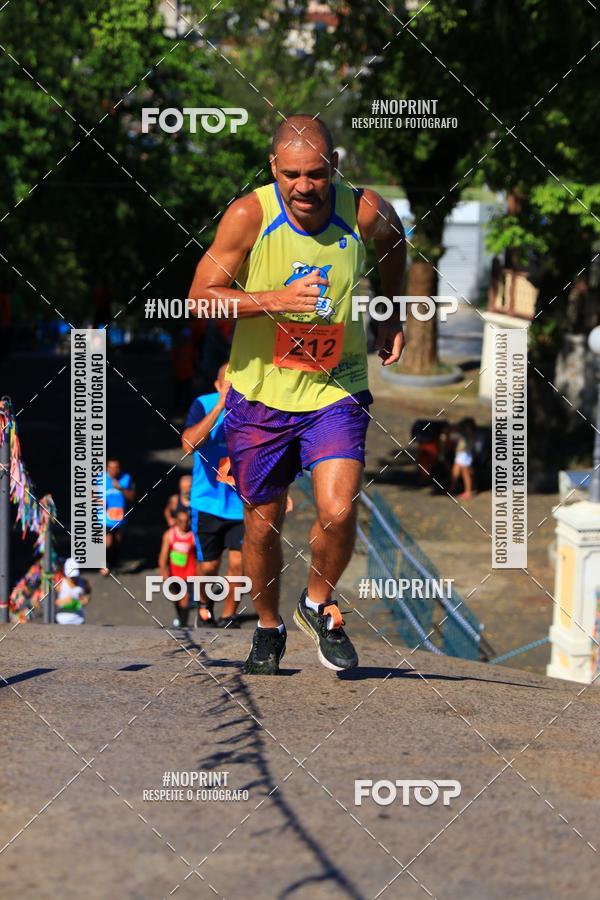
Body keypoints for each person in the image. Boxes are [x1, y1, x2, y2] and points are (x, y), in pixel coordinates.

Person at [188, 115, 406, 674]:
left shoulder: (363, 211)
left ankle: (317, 602)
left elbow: (395, 242)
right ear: (273, 170)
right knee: (261, 525)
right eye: (292, 175)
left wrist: (393, 311)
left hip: (337, 387)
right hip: (261, 396)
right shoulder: (249, 215)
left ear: (335, 166)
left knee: (339, 509)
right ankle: (267, 624)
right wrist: (275, 300)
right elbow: (199, 299)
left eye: (316, 173)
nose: (304, 186)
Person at [181, 364, 245, 628]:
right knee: (209, 567)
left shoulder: (255, 410)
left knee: (238, 565)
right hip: (207, 502)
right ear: (218, 386)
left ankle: (229, 616)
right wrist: (220, 407)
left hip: (243, 505)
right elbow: (188, 445)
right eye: (229, 385)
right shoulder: (203, 405)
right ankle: (205, 607)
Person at [158, 509, 198, 628]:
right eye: (181, 521)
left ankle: (183, 625)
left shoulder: (193, 536)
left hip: (189, 574)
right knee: (176, 599)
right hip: (173, 574)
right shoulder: (170, 535)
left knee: (184, 598)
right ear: (176, 521)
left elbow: (200, 556)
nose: (184, 524)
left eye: (186, 521)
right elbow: (163, 556)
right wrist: (164, 573)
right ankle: (181, 618)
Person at [100, 458, 135, 576]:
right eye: (110, 468)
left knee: (118, 541)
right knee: (108, 541)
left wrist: (120, 487)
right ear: (106, 468)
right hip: (105, 517)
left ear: (119, 469)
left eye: (116, 468)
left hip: (120, 517)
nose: (113, 470)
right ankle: (105, 565)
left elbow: (131, 497)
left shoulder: (126, 478)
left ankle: (113, 564)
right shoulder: (100, 479)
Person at [55, 558, 90, 625]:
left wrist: (82, 601)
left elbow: (86, 597)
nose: (73, 578)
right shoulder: (60, 584)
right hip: (62, 620)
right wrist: (66, 602)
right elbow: (54, 602)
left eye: (75, 576)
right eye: (71, 577)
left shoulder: (82, 583)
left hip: (78, 620)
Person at [450, 418, 477, 500]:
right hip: (461, 454)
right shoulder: (464, 433)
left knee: (465, 473)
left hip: (465, 455)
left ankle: (468, 491)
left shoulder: (471, 434)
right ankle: (452, 488)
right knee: (455, 471)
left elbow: (470, 444)